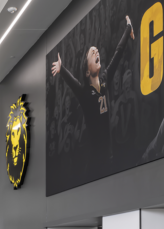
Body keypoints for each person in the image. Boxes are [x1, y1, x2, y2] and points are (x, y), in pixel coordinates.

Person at [50, 16, 134, 172]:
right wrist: (61, 70)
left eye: (97, 51)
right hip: (95, 163)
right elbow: (73, 82)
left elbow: (118, 52)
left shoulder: (105, 80)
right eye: (92, 53)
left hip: (109, 159)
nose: (96, 52)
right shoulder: (84, 93)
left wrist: (128, 27)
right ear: (87, 70)